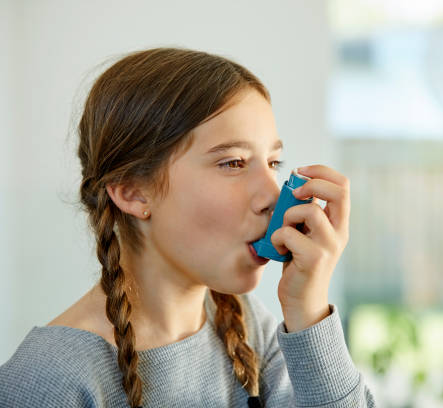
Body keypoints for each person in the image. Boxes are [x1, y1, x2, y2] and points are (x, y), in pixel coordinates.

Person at [0, 47, 376, 407]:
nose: (273, 196)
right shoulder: (49, 379)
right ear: (132, 191)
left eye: (273, 163)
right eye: (232, 162)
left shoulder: (248, 329)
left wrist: (307, 310)